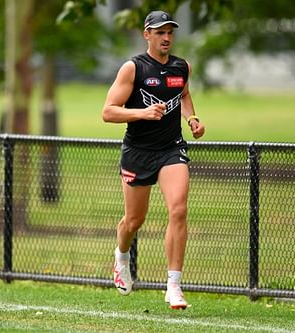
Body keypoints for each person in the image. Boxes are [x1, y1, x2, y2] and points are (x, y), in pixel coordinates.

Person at [101, 10, 205, 309]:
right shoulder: (133, 68)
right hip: (138, 152)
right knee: (134, 221)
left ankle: (173, 285)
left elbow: (183, 95)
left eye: (170, 32)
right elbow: (108, 111)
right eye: (160, 32)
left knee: (179, 209)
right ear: (147, 34)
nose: (167, 37)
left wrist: (193, 118)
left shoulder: (181, 67)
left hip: (171, 149)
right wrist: (142, 113)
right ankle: (121, 258)